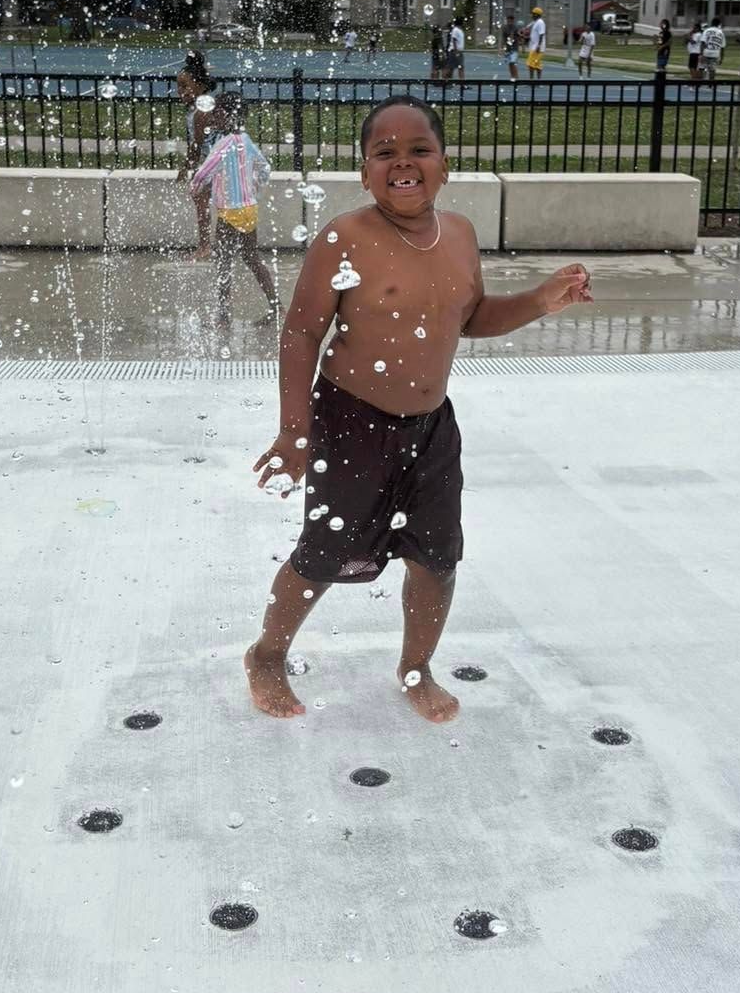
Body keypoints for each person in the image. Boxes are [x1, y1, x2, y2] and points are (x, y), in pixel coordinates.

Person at [245, 96, 589, 721]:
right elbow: (300, 334)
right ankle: (267, 653)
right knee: (324, 553)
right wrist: (295, 432)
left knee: (437, 555)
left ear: (445, 165)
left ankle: (416, 667)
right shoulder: (346, 237)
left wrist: (540, 300)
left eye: (418, 150)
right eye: (385, 153)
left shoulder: (458, 234)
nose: (402, 163)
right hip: (351, 422)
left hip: (431, 428)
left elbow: (472, 317)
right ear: (364, 171)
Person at [191, 90, 279, 333]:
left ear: (227, 115)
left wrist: (195, 189)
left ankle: (223, 318)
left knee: (223, 264)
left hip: (229, 214)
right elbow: (264, 167)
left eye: (217, 111)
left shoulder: (223, 145)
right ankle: (276, 306)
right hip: (249, 209)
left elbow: (201, 174)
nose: (213, 116)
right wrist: (253, 189)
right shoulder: (246, 141)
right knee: (252, 259)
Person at [176, 49, 218, 257]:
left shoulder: (201, 112)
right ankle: (208, 245)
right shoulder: (199, 108)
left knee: (202, 203)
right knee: (204, 203)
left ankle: (205, 247)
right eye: (178, 86)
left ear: (200, 86)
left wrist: (187, 168)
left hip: (214, 163)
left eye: (185, 86)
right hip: (213, 162)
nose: (180, 91)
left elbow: (197, 145)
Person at [699, 17, 726, 85]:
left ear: (712, 23)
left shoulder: (707, 31)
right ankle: (711, 84)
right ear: (719, 24)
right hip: (715, 53)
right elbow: (722, 47)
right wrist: (721, 58)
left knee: (701, 67)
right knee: (712, 69)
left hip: (706, 51)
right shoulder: (721, 33)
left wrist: (701, 54)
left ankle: (699, 83)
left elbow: (703, 43)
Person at [525, 5, 547, 80]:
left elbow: (541, 34)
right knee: (537, 65)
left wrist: (538, 46)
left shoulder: (540, 22)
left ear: (536, 15)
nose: (532, 15)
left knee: (530, 64)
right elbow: (535, 35)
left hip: (537, 48)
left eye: (533, 13)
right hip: (534, 46)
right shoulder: (536, 22)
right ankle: (539, 81)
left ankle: (531, 81)